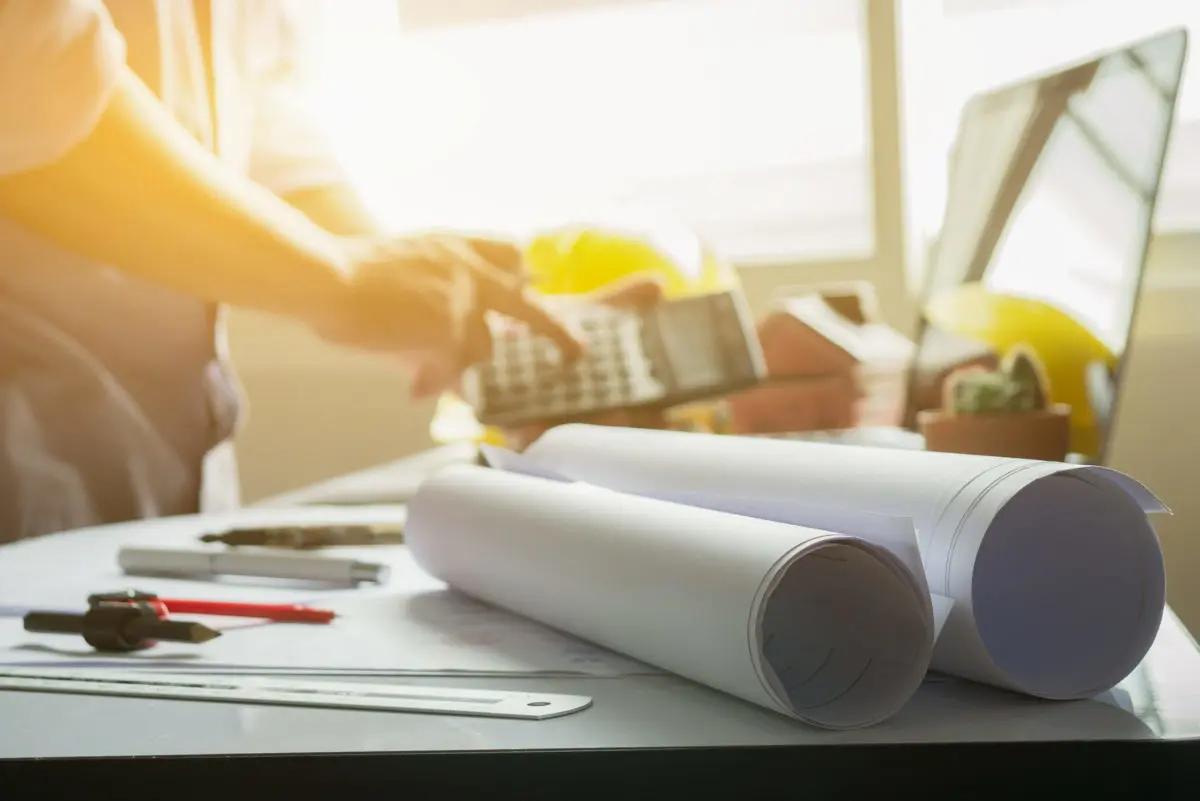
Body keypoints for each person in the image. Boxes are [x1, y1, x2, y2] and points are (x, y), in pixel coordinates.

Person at [0, 0, 584, 542]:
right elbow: (33, 85)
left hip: (155, 474)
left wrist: (427, 300)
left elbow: (256, 117)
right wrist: (345, 280)